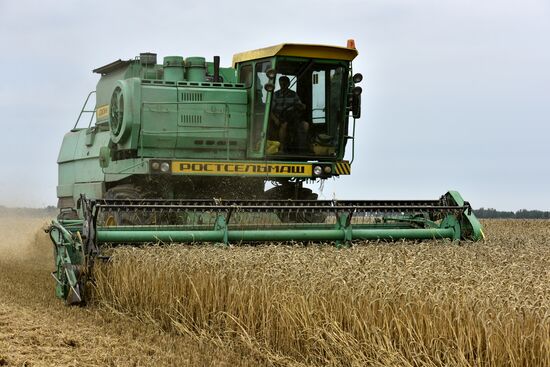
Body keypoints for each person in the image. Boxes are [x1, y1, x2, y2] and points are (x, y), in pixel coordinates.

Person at [270, 76, 309, 153]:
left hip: (291, 117)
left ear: (288, 84)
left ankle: (301, 148)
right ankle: (282, 148)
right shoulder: (275, 95)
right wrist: (275, 119)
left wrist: (302, 106)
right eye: (281, 84)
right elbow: (270, 110)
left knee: (305, 125)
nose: (283, 85)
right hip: (279, 117)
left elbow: (300, 105)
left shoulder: (293, 94)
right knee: (284, 125)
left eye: (285, 84)